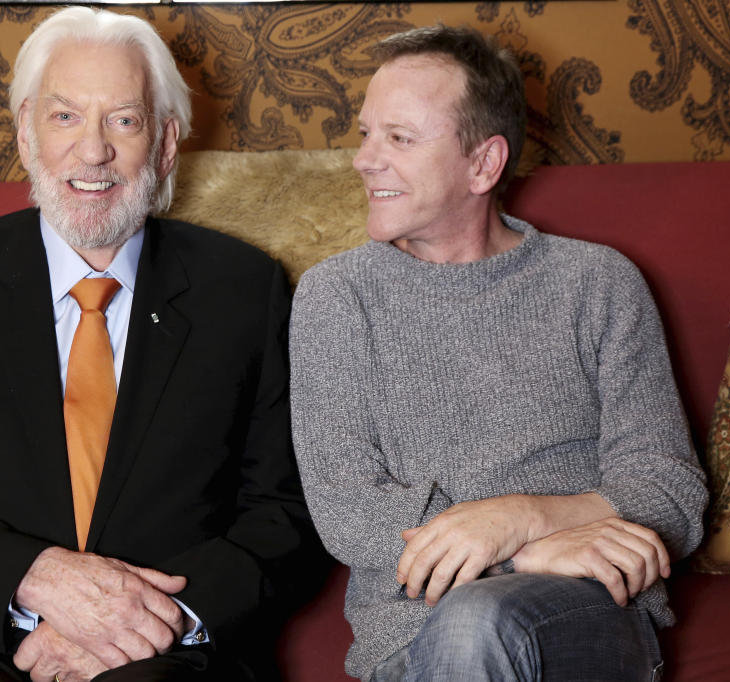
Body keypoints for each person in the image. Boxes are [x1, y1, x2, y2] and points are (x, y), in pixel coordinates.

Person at [0, 7, 317, 682]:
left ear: (167, 143)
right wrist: (35, 579)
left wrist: (144, 620)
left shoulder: (245, 290)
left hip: (164, 652)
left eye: (124, 119)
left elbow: (284, 515)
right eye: (64, 118)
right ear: (26, 134)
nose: (93, 151)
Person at [289, 24, 708, 682]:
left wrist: (522, 519)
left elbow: (672, 494)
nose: (364, 159)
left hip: (585, 614)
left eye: (398, 138)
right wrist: (529, 549)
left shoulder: (597, 283)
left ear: (483, 164)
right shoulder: (336, 298)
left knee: (478, 621)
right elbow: (350, 509)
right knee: (463, 629)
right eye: (367, 132)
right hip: (406, 635)